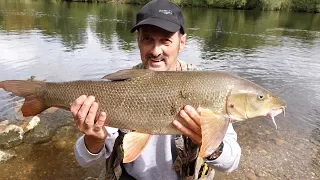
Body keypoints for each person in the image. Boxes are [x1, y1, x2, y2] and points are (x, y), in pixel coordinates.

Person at [72, 0, 241, 179]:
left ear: (182, 43)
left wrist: (208, 142)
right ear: (138, 40)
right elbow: (84, 160)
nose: (155, 51)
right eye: (148, 39)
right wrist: (95, 138)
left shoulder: (206, 87)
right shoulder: (121, 87)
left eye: (165, 41)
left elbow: (231, 161)